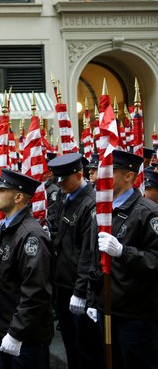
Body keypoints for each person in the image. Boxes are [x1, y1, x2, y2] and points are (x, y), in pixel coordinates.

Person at [87, 150, 158, 368]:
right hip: (106, 305)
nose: (100, 176)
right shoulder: (101, 209)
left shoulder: (148, 212)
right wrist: (92, 297)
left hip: (135, 314)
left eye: (110, 171)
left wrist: (123, 252)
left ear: (129, 176)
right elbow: (92, 258)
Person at [0, 169, 54, 369]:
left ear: (18, 196)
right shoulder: (8, 227)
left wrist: (15, 332)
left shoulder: (31, 236)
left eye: (1, 190)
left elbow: (35, 293)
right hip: (6, 325)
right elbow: (0, 273)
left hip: (25, 337)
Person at [47, 153, 103, 369]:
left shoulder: (90, 203)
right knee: (70, 342)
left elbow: (87, 254)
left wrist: (80, 291)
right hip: (62, 280)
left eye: (64, 180)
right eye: (58, 180)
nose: (60, 185)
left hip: (80, 286)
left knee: (86, 347)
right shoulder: (65, 195)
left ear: (79, 175)